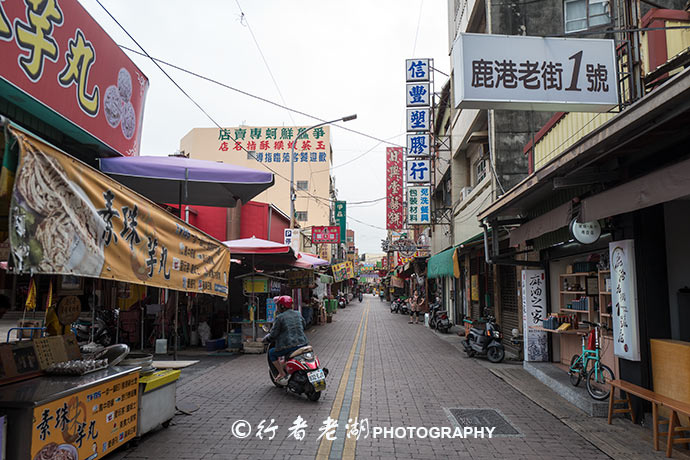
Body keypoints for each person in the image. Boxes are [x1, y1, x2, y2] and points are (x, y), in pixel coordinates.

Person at [262, 295, 309, 383]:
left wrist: (265, 339)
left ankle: (281, 373)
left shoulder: (280, 318)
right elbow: (304, 325)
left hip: (289, 346)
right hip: (303, 343)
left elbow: (273, 334)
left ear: (281, 306)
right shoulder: (298, 313)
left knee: (271, 353)